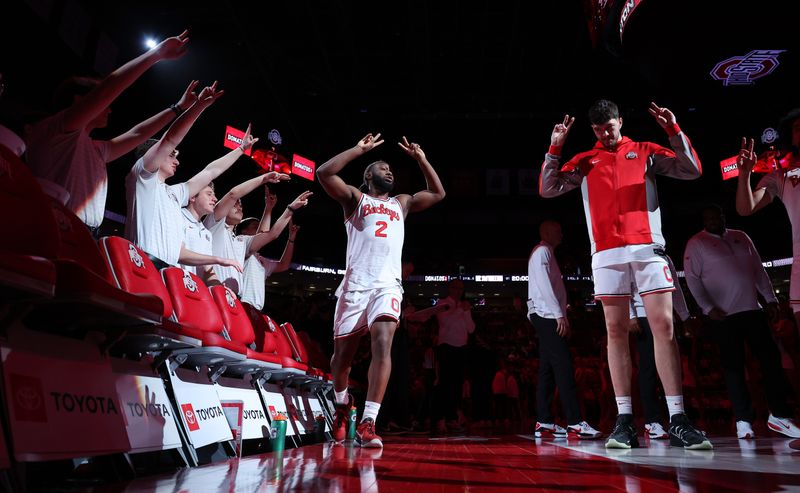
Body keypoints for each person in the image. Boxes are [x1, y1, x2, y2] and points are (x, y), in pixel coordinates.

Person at [539, 100, 710, 449]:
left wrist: (673, 129)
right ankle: (625, 421)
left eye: (610, 127)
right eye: (599, 130)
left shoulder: (646, 150)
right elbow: (548, 188)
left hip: (648, 249)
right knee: (615, 332)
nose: (606, 133)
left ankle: (677, 418)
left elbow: (691, 169)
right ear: (593, 130)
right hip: (606, 253)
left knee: (664, 328)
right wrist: (555, 147)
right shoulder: (586, 160)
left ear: (620, 121)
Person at [317, 133, 445, 448]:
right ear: (368, 176)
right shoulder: (354, 200)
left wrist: (421, 159)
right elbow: (323, 173)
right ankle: (343, 403)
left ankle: (368, 421)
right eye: (383, 168)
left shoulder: (401, 202)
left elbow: (438, 193)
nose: (389, 172)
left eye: (391, 169)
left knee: (384, 343)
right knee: (340, 362)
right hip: (356, 286)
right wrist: (357, 150)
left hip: (388, 285)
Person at [26, 31, 190, 235]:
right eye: (106, 103)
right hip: (52, 225)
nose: (110, 108)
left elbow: (138, 134)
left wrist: (178, 108)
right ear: (80, 101)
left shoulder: (96, 149)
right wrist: (156, 54)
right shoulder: (57, 129)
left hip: (85, 233)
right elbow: (108, 88)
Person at [683, 204, 800, 439]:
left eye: (716, 215)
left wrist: (770, 298)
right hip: (723, 316)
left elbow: (757, 268)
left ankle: (779, 414)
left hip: (752, 309)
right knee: (733, 368)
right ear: (704, 220)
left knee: (770, 361)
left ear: (722, 215)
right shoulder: (697, 243)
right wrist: (707, 308)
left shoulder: (741, 236)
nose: (713, 219)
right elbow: (692, 279)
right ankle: (743, 420)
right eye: (708, 216)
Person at [125, 82, 253, 272]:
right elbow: (169, 139)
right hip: (141, 266)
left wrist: (241, 150)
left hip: (168, 273)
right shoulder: (142, 178)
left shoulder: (174, 194)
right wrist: (199, 106)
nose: (177, 161)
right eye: (171, 155)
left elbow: (211, 171)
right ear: (152, 156)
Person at [528, 220, 602, 439]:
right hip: (547, 316)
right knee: (564, 367)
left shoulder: (545, 252)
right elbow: (543, 284)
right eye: (558, 230)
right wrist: (559, 314)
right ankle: (575, 422)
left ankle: (544, 422)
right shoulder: (542, 251)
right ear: (547, 232)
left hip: (544, 314)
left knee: (548, 370)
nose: (562, 233)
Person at [736, 111, 800, 329]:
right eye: (796, 127)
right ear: (791, 138)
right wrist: (744, 174)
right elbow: (746, 208)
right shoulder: (781, 176)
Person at [207, 175, 309, 296]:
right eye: (235, 204)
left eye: (240, 205)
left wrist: (290, 209)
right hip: (213, 292)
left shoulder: (241, 241)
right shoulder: (214, 225)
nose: (239, 206)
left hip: (233, 299)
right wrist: (263, 179)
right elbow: (233, 194)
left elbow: (272, 234)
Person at [628, 254, 690, 439]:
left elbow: (675, 287)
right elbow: (625, 287)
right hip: (642, 314)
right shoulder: (631, 254)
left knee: (671, 368)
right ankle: (652, 422)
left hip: (665, 314)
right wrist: (630, 315)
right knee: (648, 368)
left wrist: (684, 315)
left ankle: (677, 419)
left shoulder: (664, 256)